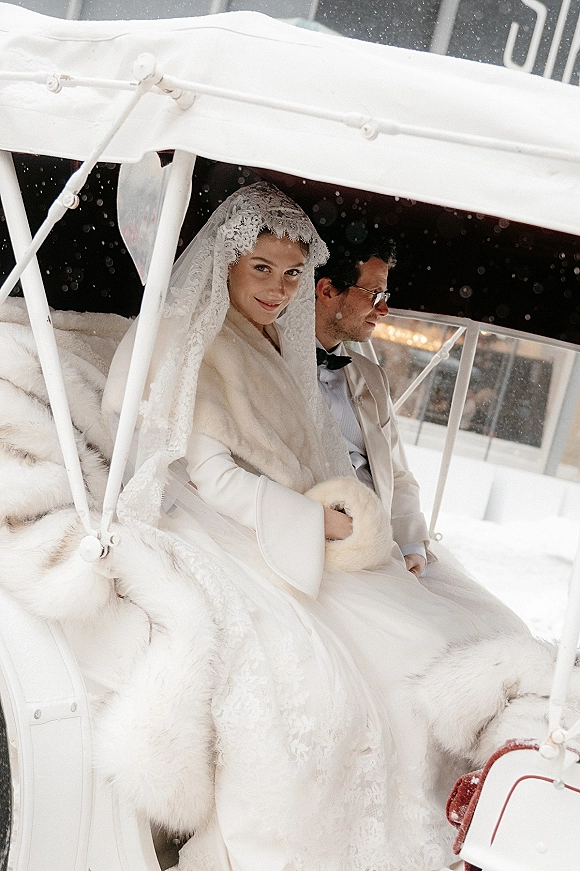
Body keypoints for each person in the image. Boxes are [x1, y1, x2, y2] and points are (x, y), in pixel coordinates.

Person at [101, 182, 556, 871]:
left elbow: (375, 471)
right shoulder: (204, 343)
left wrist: (379, 533)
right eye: (262, 268)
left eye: (291, 273)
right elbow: (214, 476)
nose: (278, 288)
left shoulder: (279, 345)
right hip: (235, 524)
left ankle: (479, 797)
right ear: (227, 262)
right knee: (390, 660)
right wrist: (313, 521)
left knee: (448, 629)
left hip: (304, 522)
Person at [313, 236, 429, 578]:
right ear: (327, 291)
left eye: (385, 296)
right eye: (374, 294)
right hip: (320, 546)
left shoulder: (372, 377)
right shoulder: (271, 365)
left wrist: (411, 545)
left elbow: (397, 473)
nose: (384, 309)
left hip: (386, 547)